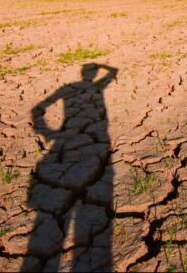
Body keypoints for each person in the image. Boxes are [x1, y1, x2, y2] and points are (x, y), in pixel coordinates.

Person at [22, 63, 117, 271]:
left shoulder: (72, 88)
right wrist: (47, 132)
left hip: (66, 143)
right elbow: (113, 72)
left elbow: (40, 109)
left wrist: (45, 131)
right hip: (75, 144)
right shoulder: (94, 87)